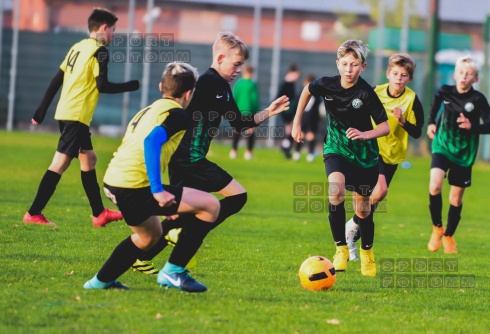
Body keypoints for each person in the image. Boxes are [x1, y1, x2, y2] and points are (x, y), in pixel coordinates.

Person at [130, 32, 290, 286]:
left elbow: (240, 125)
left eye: (241, 65)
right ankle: (185, 237)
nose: (239, 69)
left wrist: (268, 112)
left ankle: (142, 256)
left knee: (180, 215)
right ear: (220, 57)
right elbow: (177, 111)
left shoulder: (224, 88)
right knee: (236, 197)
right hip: (187, 159)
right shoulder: (203, 83)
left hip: (193, 159)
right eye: (236, 64)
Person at [84, 62, 221, 292]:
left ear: (161, 87)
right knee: (211, 205)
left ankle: (98, 282)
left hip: (114, 181)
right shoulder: (178, 115)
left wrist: (169, 193)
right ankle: (173, 271)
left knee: (150, 236)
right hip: (135, 185)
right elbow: (151, 142)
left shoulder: (149, 109)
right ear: (189, 93)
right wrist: (158, 190)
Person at [23, 8, 140, 227]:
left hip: (66, 113)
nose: (114, 35)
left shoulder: (77, 47)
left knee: (89, 158)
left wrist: (42, 110)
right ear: (104, 28)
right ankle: (34, 213)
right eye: (114, 30)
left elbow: (57, 80)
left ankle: (99, 214)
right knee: (60, 162)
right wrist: (132, 85)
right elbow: (102, 86)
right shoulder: (100, 51)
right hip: (76, 116)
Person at [291, 40, 390, 276]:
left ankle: (367, 253)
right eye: (344, 64)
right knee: (335, 191)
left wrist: (366, 134)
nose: (348, 69)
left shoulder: (366, 93)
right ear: (337, 64)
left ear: (363, 66)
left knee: (363, 209)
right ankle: (341, 249)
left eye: (354, 64)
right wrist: (296, 123)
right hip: (335, 147)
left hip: (364, 155)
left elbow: (385, 127)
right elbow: (307, 90)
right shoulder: (327, 85)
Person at [345, 53, 425, 261]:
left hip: (392, 155)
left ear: (409, 79)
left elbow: (417, 132)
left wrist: (403, 122)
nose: (399, 78)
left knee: (372, 203)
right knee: (380, 191)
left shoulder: (411, 99)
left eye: (404, 75)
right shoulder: (375, 92)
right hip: (371, 149)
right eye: (396, 73)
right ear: (388, 73)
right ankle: (352, 234)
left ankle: (352, 233)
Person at [426, 55, 490, 254]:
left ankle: (448, 235)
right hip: (443, 146)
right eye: (461, 73)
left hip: (464, 154)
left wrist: (472, 126)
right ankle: (437, 227)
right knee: (435, 183)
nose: (464, 77)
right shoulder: (445, 92)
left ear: (476, 79)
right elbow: (434, 105)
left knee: (455, 199)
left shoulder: (478, 100)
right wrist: (431, 123)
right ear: (455, 74)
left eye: (469, 74)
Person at [229, 64, 259, 160]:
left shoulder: (239, 83)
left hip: (238, 110)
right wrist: (256, 110)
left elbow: (234, 97)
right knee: (250, 131)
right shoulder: (252, 84)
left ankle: (234, 151)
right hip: (249, 110)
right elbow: (254, 99)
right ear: (252, 72)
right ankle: (248, 153)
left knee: (237, 130)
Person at [292, 74, 323, 162]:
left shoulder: (317, 96)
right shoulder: (300, 94)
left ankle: (310, 153)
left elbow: (319, 109)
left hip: (313, 119)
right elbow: (296, 106)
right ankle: (297, 152)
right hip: (303, 117)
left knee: (311, 135)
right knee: (300, 134)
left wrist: (319, 118)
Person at [278, 63, 301, 159]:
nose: (297, 77)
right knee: (290, 130)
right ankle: (285, 147)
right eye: (297, 75)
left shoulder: (289, 84)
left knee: (290, 130)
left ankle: (285, 147)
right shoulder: (286, 84)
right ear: (292, 73)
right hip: (287, 111)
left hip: (289, 110)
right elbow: (280, 97)